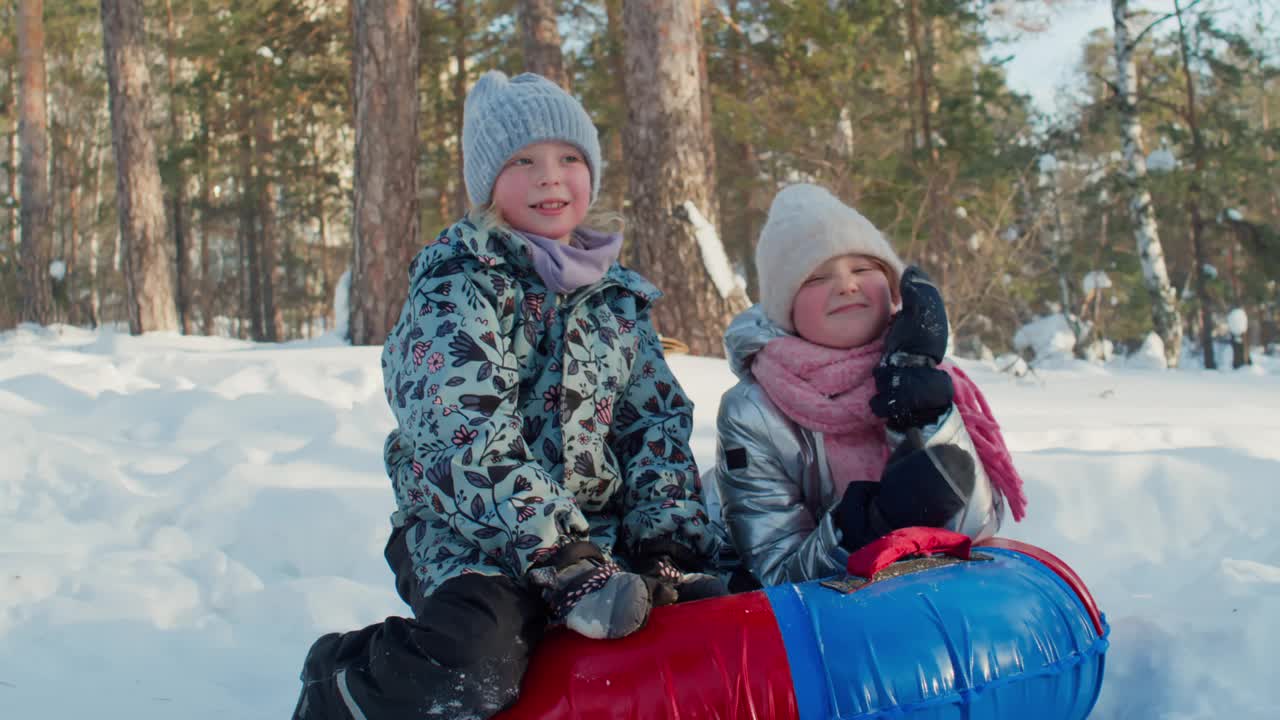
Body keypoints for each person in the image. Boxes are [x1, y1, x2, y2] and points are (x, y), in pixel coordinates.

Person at [292, 70, 723, 720]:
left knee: (711, 614)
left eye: (569, 158)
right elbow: (465, 438)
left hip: (593, 540)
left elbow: (654, 427)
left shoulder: (620, 298)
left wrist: (667, 544)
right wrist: (559, 558)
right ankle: (343, 682)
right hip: (471, 534)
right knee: (480, 660)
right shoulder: (459, 288)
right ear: (488, 183)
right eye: (524, 161)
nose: (550, 177)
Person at [710, 184, 1028, 589]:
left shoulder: (929, 374)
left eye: (862, 269)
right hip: (814, 615)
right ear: (786, 309)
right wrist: (867, 526)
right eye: (816, 278)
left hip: (923, 597)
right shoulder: (753, 410)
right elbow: (773, 571)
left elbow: (978, 532)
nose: (846, 285)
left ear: (893, 288)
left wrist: (924, 415)